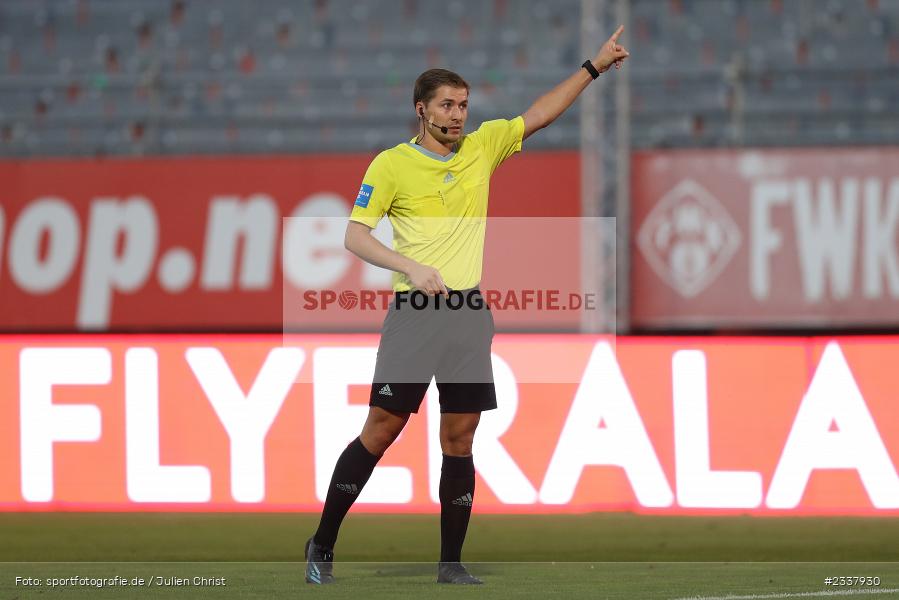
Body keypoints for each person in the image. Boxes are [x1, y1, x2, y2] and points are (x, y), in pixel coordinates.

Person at [305, 26, 630, 586]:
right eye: (447, 106)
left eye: (463, 105)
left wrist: (593, 68)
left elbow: (540, 114)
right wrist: (408, 266)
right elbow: (355, 236)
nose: (457, 115)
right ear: (421, 110)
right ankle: (322, 543)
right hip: (415, 315)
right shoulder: (390, 166)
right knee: (382, 429)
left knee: (460, 435)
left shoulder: (482, 147)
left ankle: (450, 564)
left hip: (468, 313)